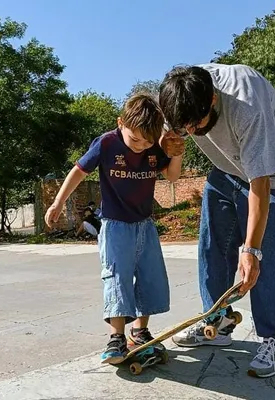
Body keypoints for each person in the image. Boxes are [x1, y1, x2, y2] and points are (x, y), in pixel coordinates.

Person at [158, 64, 275, 378]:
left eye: (196, 126)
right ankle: (217, 321)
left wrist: (251, 250)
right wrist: (167, 145)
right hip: (226, 169)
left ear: (212, 99)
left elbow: (260, 184)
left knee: (266, 250)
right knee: (213, 241)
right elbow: (170, 142)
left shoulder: (246, 105)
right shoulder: (179, 100)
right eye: (185, 128)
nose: (193, 133)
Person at [44, 93, 184, 364]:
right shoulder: (106, 144)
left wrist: (175, 153)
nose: (140, 147)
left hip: (145, 224)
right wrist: (58, 203)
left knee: (149, 277)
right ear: (121, 123)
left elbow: (172, 176)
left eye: (147, 142)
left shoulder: (154, 145)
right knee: (117, 277)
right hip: (115, 225)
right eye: (135, 140)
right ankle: (116, 338)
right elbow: (78, 171)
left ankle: (140, 331)